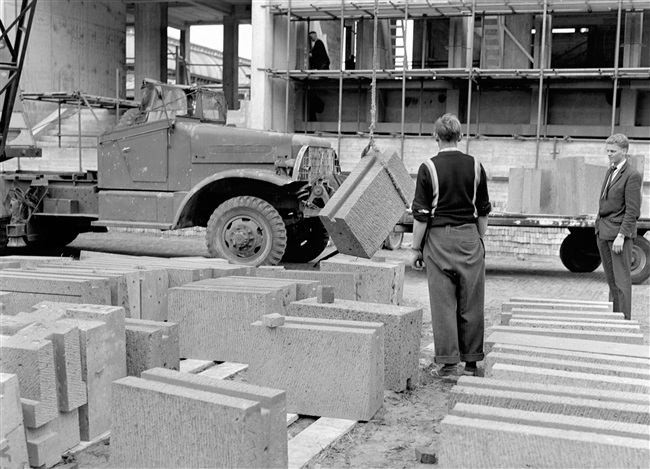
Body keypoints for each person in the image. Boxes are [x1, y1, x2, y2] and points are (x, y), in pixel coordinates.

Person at [410, 113, 491, 378]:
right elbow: (483, 210)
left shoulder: (428, 168)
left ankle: (448, 365)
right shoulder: (476, 165)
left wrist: (415, 249)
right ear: (460, 136)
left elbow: (421, 216)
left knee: (444, 303)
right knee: (472, 301)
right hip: (469, 236)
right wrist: (479, 239)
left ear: (436, 137)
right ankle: (471, 363)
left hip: (439, 240)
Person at [595, 133, 642, 320]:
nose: (609, 154)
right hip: (603, 231)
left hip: (618, 236)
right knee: (611, 281)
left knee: (622, 281)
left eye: (613, 151)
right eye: (607, 151)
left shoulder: (632, 175)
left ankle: (624, 322)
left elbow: (632, 211)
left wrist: (622, 235)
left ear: (624, 151)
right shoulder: (610, 170)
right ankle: (614, 319)